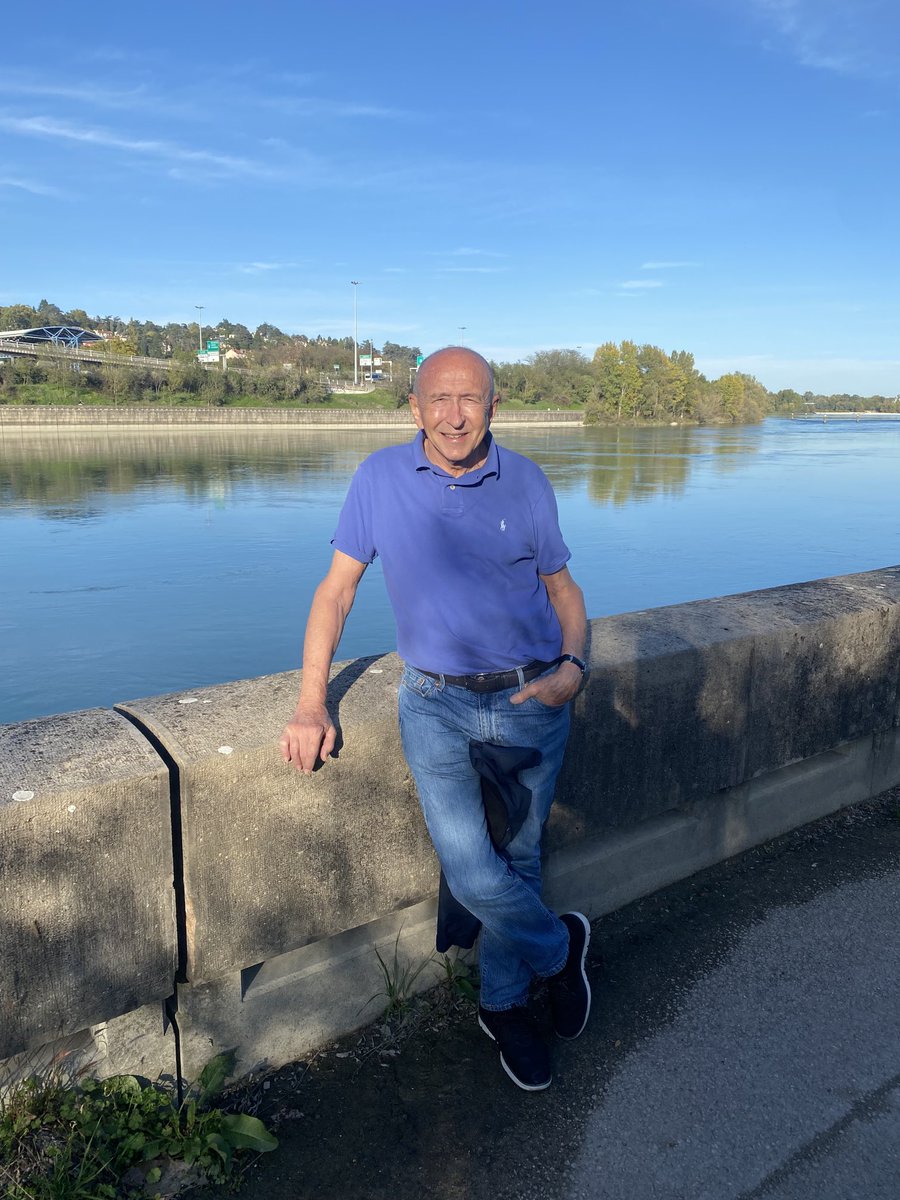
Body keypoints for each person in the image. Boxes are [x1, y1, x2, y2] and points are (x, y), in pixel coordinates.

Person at [279, 346, 590, 1090]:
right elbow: (336, 593)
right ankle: (560, 952)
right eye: (440, 400)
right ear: (414, 408)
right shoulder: (379, 478)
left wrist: (574, 668)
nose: (456, 415)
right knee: (471, 866)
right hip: (435, 705)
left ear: (494, 405)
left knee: (518, 860)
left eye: (472, 400)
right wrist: (311, 700)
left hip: (529, 700)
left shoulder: (528, 481)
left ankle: (505, 1005)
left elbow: (565, 592)